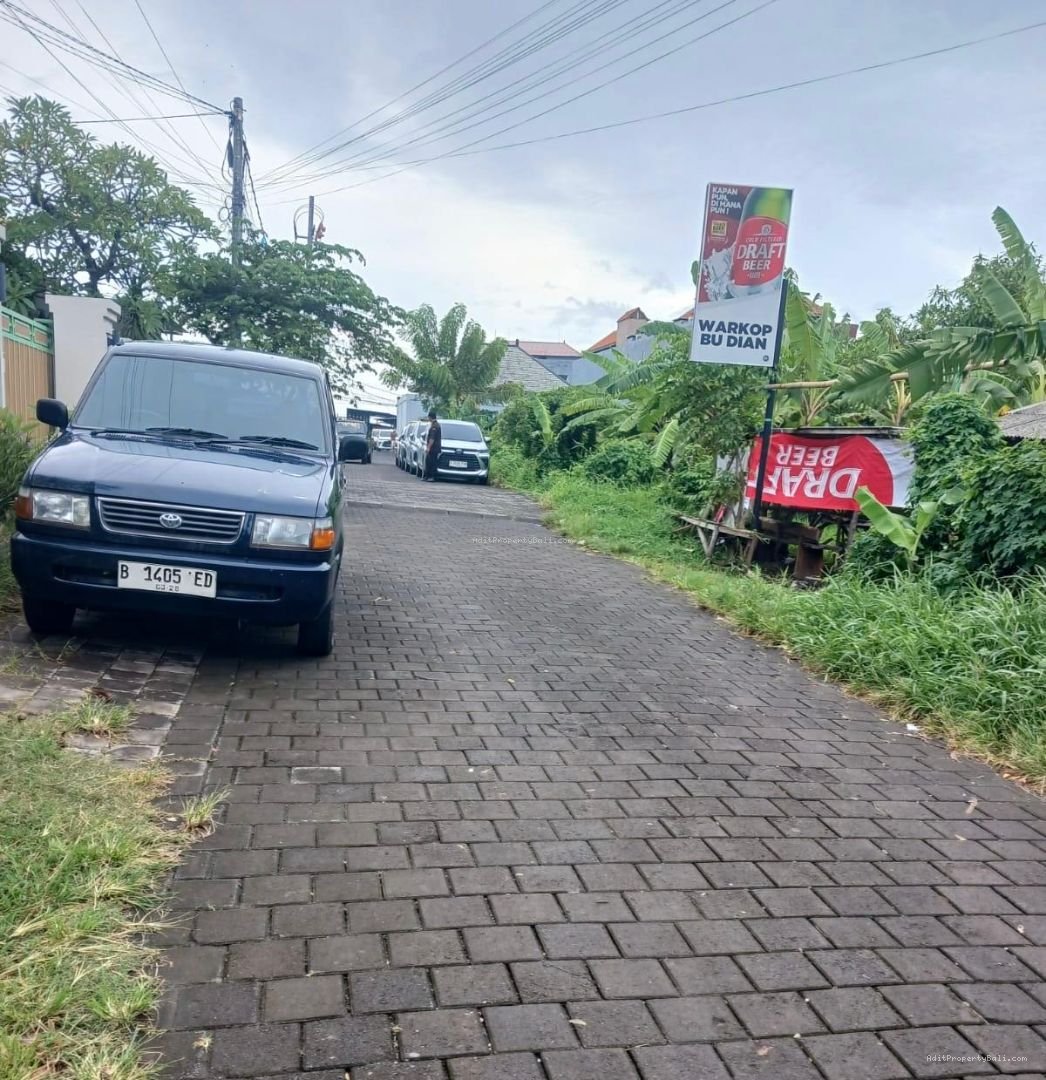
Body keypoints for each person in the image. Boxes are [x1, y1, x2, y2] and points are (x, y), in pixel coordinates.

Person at [423, 410, 442, 481]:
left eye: (428, 417)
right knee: (428, 461)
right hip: (434, 448)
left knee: (432, 462)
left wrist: (428, 448)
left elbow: (432, 438)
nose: (428, 419)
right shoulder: (434, 425)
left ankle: (432, 477)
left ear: (430, 417)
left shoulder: (435, 426)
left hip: (434, 448)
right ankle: (427, 476)